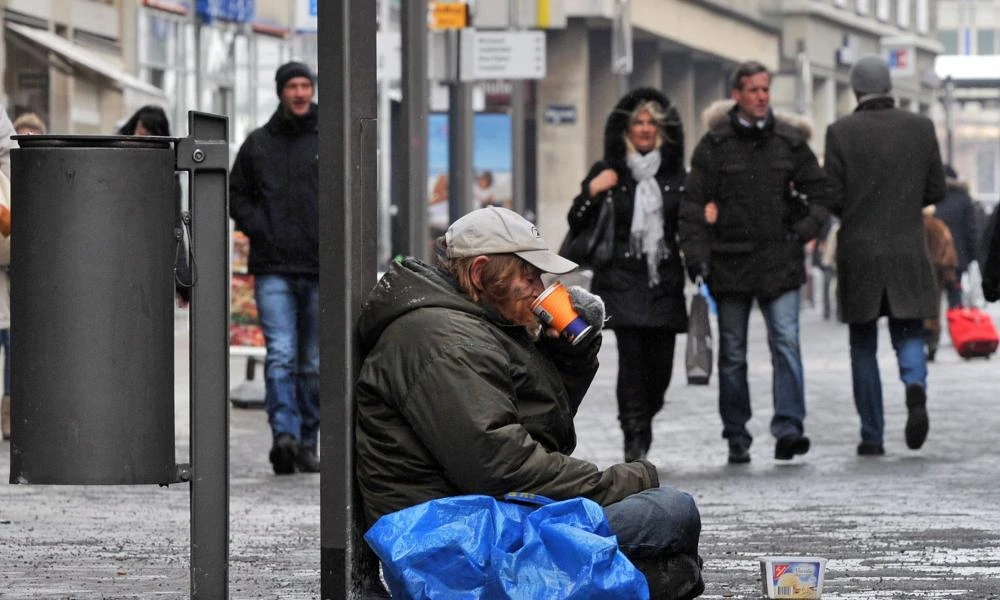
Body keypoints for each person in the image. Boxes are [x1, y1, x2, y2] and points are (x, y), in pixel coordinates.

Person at [355, 206, 705, 599]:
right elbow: (503, 466)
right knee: (669, 513)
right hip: (450, 543)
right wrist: (626, 481)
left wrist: (569, 357)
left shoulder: (476, 321)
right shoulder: (445, 340)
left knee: (671, 550)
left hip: (481, 517)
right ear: (478, 272)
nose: (539, 288)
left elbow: (536, 429)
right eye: (528, 275)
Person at [679, 61, 828, 465]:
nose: (762, 96)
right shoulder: (714, 144)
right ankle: (736, 434)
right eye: (753, 90)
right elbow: (692, 206)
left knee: (786, 344)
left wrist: (804, 229)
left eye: (766, 89)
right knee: (733, 354)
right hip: (730, 265)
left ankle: (789, 428)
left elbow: (822, 193)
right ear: (737, 94)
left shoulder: (790, 141)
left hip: (781, 261)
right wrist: (696, 257)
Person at [822, 54, 946, 456]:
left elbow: (833, 196)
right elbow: (936, 190)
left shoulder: (840, 132)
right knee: (908, 329)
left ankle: (872, 434)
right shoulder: (921, 127)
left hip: (859, 251)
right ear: (889, 86)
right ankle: (914, 385)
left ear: (857, 89)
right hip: (908, 247)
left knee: (863, 344)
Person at [567, 88, 688, 462]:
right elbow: (576, 220)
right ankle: (634, 435)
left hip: (663, 281)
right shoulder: (609, 173)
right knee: (632, 363)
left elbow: (689, 224)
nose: (646, 128)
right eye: (638, 121)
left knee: (661, 369)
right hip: (621, 279)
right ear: (626, 129)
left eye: (653, 122)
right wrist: (591, 190)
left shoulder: (676, 177)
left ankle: (645, 418)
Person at [230, 61, 320, 475]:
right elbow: (237, 196)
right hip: (273, 268)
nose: (300, 93)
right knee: (282, 354)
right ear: (281, 91)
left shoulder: (328, 140)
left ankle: (306, 440)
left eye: (306, 85)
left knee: (313, 361)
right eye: (293, 86)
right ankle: (284, 434)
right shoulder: (258, 144)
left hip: (320, 268)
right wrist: (261, 228)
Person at [117, 105, 191, 308]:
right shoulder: (113, 162)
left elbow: (174, 227)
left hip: (142, 262)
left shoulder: (168, 176)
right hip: (128, 259)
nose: (143, 136)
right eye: (142, 130)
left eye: (150, 132)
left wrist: (182, 278)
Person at [935, 165, 978, 308]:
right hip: (957, 259)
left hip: (933, 258)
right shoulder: (964, 199)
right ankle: (958, 326)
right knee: (955, 296)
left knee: (932, 300)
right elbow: (971, 231)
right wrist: (972, 257)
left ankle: (930, 328)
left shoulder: (932, 198)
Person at [921, 206, 958, 362]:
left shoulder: (912, 227)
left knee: (916, 311)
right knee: (934, 311)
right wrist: (950, 275)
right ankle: (932, 343)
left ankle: (918, 343)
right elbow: (949, 253)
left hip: (915, 276)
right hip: (936, 275)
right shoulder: (940, 227)